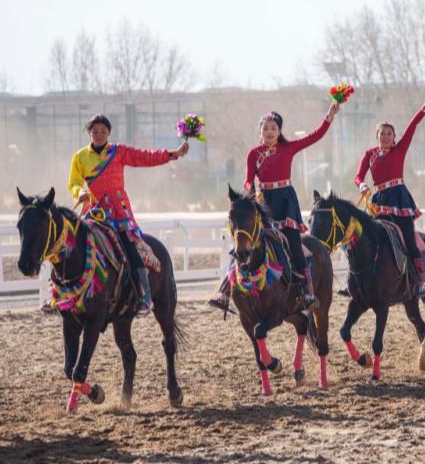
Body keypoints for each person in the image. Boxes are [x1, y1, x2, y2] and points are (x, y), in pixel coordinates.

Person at [209, 101, 340, 311]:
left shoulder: (288, 148)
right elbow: (247, 180)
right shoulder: (253, 154)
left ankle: (307, 291)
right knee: (244, 244)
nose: (270, 132)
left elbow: (315, 135)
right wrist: (252, 192)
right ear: (260, 132)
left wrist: (329, 116)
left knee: (294, 244)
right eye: (266, 128)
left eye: (274, 128)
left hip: (286, 201)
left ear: (279, 131)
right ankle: (224, 290)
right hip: (264, 203)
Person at [65, 114, 189, 315]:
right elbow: (74, 182)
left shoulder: (119, 152)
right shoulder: (80, 157)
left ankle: (144, 295)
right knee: (70, 243)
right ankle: (61, 293)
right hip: (93, 212)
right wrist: (81, 193)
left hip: (118, 213)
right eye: (95, 132)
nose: (99, 135)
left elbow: (145, 157)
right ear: (89, 133)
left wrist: (172, 154)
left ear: (109, 133)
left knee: (129, 249)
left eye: (103, 132)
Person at [354, 93, 425, 297]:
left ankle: (421, 280)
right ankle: (358, 280)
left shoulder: (399, 149)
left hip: (399, 198)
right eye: (382, 133)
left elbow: (413, 125)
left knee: (408, 238)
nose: (385, 136)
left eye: (389, 133)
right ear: (377, 136)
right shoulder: (369, 154)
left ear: (394, 137)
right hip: (378, 200)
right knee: (366, 236)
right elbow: (358, 176)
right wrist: (363, 185)